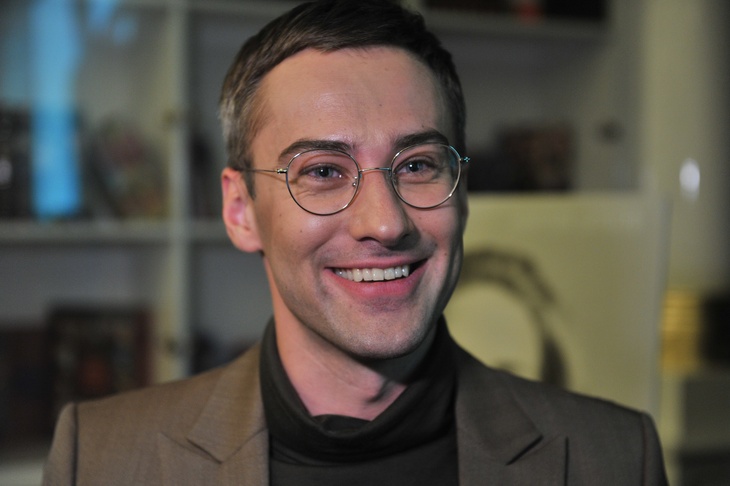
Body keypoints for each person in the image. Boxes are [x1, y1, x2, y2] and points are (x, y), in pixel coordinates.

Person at [42, 0, 668, 484]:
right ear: (240, 211)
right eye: (322, 171)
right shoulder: (98, 460)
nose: (386, 223)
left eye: (418, 165)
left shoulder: (613, 458)